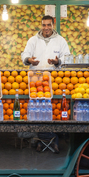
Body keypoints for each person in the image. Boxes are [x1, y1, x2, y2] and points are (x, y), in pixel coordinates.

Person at [21, 15, 71, 154]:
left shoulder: (60, 41)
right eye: (44, 25)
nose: (46, 28)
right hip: (35, 80)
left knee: (52, 110)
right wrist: (29, 60)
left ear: (53, 25)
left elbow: (66, 56)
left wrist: (58, 61)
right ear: (41, 25)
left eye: (49, 25)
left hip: (53, 79)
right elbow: (24, 54)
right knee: (38, 110)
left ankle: (53, 140)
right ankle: (40, 140)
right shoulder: (33, 40)